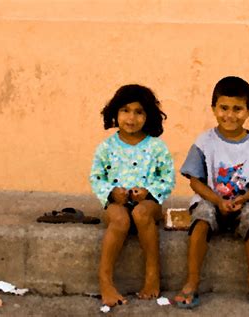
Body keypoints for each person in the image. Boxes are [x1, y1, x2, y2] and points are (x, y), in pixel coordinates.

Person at [174, 76, 249, 308]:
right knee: (201, 220)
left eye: (238, 109)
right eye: (224, 108)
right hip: (209, 199)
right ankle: (192, 280)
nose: (230, 115)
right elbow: (195, 181)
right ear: (213, 109)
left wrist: (244, 198)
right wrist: (217, 199)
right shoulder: (205, 142)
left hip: (242, 201)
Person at [90, 84, 175, 307]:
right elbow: (96, 177)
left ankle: (152, 273)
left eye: (139, 112)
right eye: (125, 110)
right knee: (120, 218)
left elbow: (167, 178)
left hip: (148, 205)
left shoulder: (157, 148)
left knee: (141, 212)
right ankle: (105, 280)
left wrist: (149, 192)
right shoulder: (106, 147)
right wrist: (110, 193)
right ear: (115, 113)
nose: (131, 117)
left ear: (149, 116)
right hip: (116, 205)